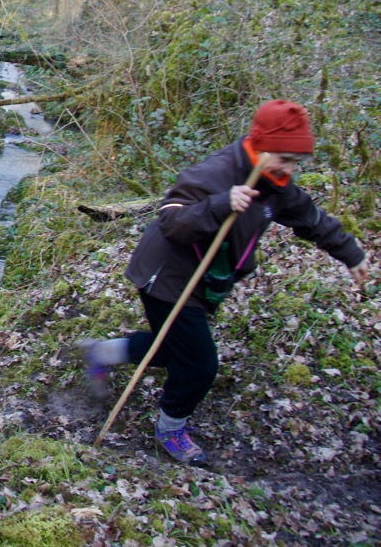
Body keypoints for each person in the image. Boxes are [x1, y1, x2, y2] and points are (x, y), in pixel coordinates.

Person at [80, 100, 370, 465]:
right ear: (261, 146)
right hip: (166, 277)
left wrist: (352, 255)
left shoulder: (276, 184)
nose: (291, 169)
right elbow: (172, 221)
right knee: (200, 365)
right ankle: (171, 429)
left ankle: (101, 352)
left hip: (204, 281)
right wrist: (220, 204)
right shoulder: (217, 172)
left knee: (174, 350)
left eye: (296, 162)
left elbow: (311, 220)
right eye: (284, 158)